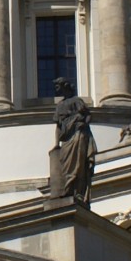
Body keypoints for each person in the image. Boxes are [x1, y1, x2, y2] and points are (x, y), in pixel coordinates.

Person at [45, 76, 96, 205]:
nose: (56, 89)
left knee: (78, 165)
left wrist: (84, 124)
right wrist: (57, 144)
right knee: (67, 165)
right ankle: (68, 189)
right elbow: (58, 126)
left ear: (65, 86)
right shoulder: (60, 105)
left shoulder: (76, 101)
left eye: (58, 86)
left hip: (78, 135)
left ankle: (76, 191)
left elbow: (88, 115)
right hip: (67, 139)